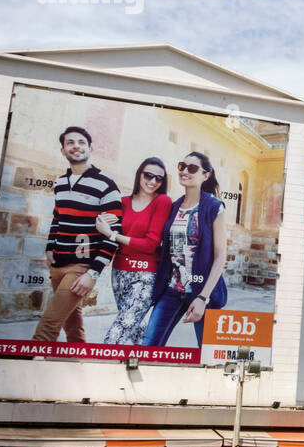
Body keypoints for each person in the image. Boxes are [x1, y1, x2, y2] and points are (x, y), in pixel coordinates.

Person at [34, 126, 124, 343]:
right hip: (57, 264)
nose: (76, 146)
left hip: (81, 265)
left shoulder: (106, 184)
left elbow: (113, 234)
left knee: (49, 323)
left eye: (81, 142)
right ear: (63, 150)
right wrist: (49, 247)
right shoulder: (60, 183)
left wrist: (93, 273)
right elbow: (57, 218)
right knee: (71, 320)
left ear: (90, 147)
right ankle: (78, 357)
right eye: (70, 143)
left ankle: (30, 361)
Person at [143, 152, 229, 347]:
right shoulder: (173, 207)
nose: (185, 171)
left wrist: (202, 298)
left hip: (203, 292)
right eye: (182, 166)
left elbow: (220, 255)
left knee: (209, 354)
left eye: (192, 168)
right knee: (149, 346)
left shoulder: (214, 207)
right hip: (172, 289)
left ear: (205, 175)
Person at [99, 158, 172, 344]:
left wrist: (112, 235)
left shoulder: (162, 202)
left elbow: (151, 243)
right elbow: (102, 228)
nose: (153, 181)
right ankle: (146, 363)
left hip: (145, 275)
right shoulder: (122, 202)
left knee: (116, 336)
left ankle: (102, 367)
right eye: (148, 175)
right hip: (120, 272)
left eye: (158, 178)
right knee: (135, 330)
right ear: (139, 174)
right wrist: (100, 221)